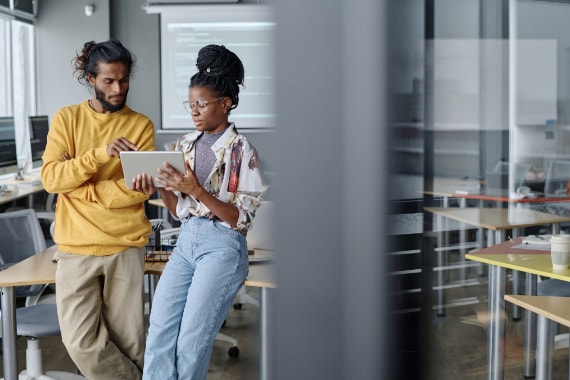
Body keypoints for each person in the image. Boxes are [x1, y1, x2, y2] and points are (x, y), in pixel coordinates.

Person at [132, 44, 266, 379]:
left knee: (191, 341)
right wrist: (159, 185)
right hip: (186, 242)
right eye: (190, 104)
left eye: (201, 104)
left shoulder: (242, 151)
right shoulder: (184, 145)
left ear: (226, 103)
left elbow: (240, 220)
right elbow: (178, 211)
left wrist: (197, 190)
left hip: (222, 246)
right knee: (159, 333)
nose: (194, 111)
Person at [41, 40, 156, 380]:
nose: (118, 88)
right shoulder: (67, 118)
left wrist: (79, 188)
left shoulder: (141, 126)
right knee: (80, 342)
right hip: (77, 249)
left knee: (131, 343)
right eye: (109, 81)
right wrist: (101, 155)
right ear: (91, 78)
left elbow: (137, 192)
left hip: (126, 246)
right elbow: (51, 179)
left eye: (123, 80)